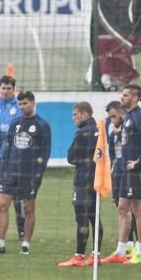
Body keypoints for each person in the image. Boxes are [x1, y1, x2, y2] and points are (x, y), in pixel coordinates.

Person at [0, 91, 50, 255]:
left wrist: (38, 176)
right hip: (11, 172)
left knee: (28, 209)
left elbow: (44, 154)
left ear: (33, 103)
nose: (22, 107)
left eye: (25, 103)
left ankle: (25, 244)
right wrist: (3, 169)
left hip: (29, 175)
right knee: (2, 205)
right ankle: (0, 243)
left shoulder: (42, 125)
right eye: (20, 104)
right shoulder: (15, 123)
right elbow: (8, 148)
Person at [101, 84, 141, 265]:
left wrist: (138, 162)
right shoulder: (128, 116)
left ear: (134, 97)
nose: (121, 97)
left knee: (138, 209)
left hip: (136, 171)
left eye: (125, 95)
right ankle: (121, 250)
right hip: (124, 169)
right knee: (122, 207)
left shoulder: (140, 117)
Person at [59, 102, 102, 267]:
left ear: (85, 114)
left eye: (75, 114)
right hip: (97, 180)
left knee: (81, 219)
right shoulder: (100, 131)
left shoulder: (82, 133)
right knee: (95, 217)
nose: (73, 118)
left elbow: (71, 157)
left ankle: (79, 256)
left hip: (83, 179)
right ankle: (96, 255)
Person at [0, 75, 26, 241]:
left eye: (8, 88)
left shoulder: (19, 108)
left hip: (15, 159)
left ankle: (22, 231)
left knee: (18, 197)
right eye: (3, 88)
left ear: (13, 90)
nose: (5, 91)